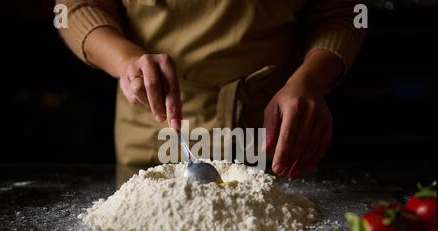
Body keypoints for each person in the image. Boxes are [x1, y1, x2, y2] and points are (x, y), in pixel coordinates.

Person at [57, 0, 366, 179]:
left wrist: (310, 80)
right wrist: (125, 61)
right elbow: (73, 7)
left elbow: (343, 12)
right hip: (154, 129)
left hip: (275, 129)